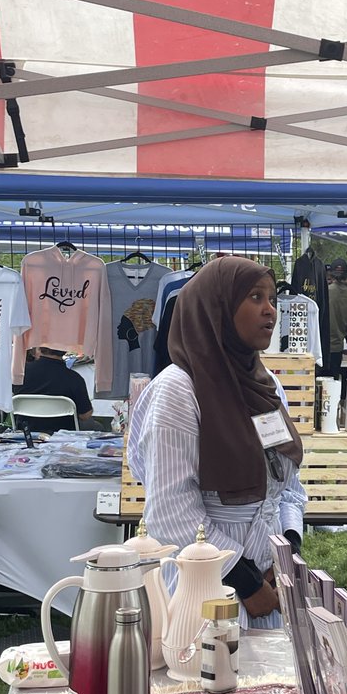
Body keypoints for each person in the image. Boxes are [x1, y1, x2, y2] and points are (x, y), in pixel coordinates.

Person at [127, 258, 307, 625]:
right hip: (207, 585)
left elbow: (285, 484)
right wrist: (244, 580)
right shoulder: (179, 390)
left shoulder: (264, 385)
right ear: (217, 308)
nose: (270, 310)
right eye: (255, 297)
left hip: (271, 579)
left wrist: (287, 548)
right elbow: (170, 509)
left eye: (272, 298)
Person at [12, 346, 97, 432]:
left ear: (40, 349)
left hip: (25, 434)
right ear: (65, 350)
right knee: (97, 426)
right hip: (63, 435)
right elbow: (85, 415)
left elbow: (9, 402)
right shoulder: (74, 378)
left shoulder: (20, 374)